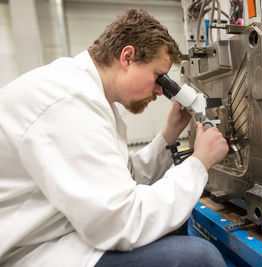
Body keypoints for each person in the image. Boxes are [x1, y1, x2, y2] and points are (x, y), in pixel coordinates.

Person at [0, 8, 229, 267]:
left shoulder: (90, 95)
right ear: (128, 57)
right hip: (33, 250)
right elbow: (121, 222)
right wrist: (199, 162)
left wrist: (169, 134)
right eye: (158, 77)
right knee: (199, 259)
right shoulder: (68, 101)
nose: (158, 90)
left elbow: (122, 178)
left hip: (61, 230)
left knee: (176, 223)